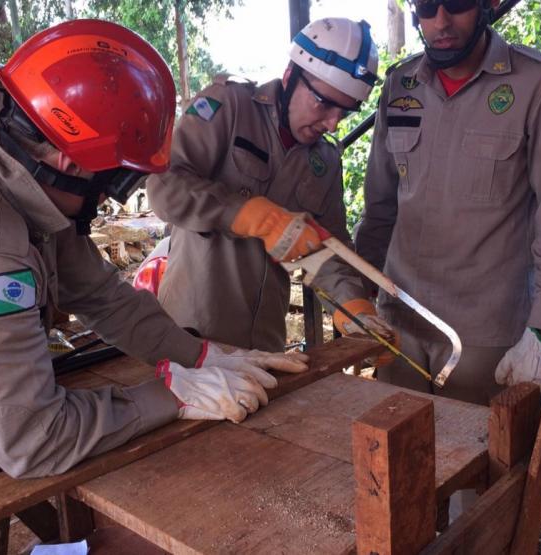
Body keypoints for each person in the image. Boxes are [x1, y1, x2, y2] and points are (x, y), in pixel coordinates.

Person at [0, 20, 308, 543]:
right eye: (113, 180)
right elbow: (34, 438)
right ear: (70, 159)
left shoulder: (9, 177)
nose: (109, 200)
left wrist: (202, 356)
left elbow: (103, 296)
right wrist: (173, 395)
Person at [356, 0, 541, 404]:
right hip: (399, 325)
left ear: (489, 4)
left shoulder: (539, 85)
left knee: (478, 464)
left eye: (458, 4)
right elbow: (380, 210)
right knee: (395, 458)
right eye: (427, 7)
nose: (441, 21)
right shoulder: (400, 86)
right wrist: (358, 297)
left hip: (485, 338)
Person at [146, 17, 395, 353]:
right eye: (324, 103)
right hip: (192, 336)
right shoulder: (230, 107)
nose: (333, 122)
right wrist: (251, 216)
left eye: (346, 112)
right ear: (291, 76)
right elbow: (165, 188)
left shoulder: (325, 161)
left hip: (267, 344)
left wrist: (354, 307)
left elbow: (327, 247)